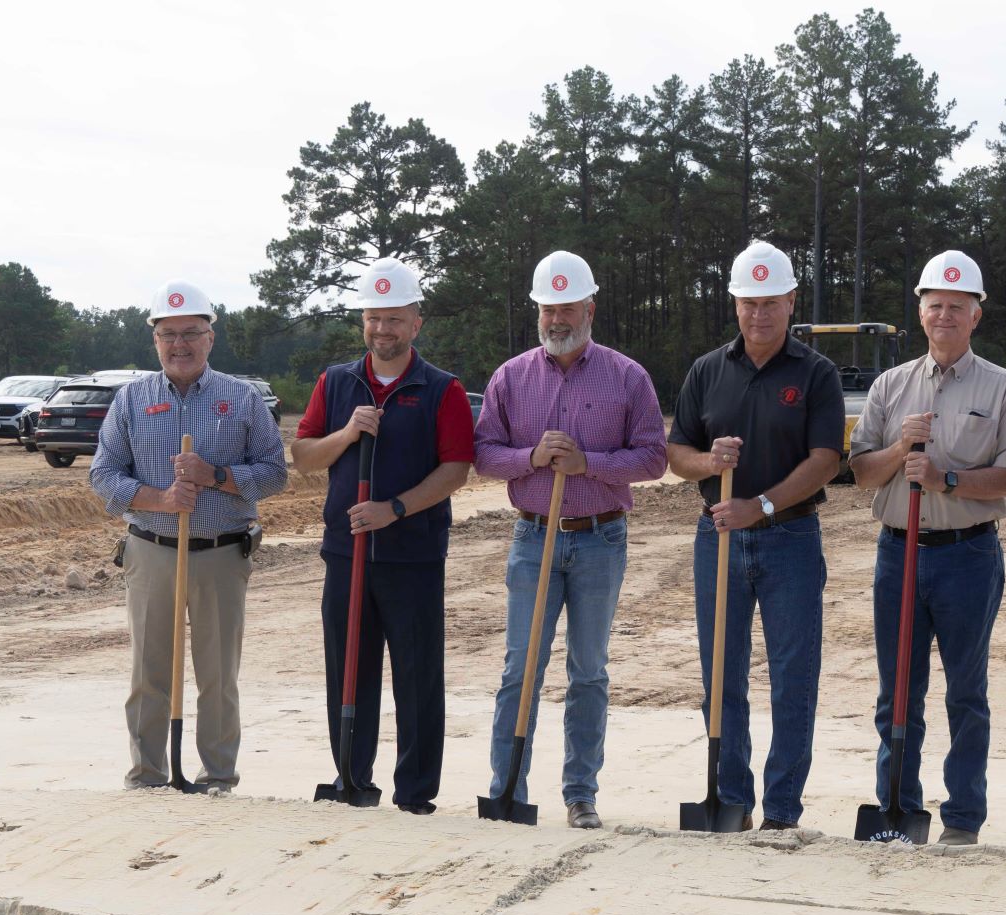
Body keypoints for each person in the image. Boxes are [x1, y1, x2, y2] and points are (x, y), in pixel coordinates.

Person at [473, 251, 667, 829]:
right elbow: (483, 455)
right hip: (533, 538)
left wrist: (589, 464)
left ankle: (580, 793)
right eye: (548, 309)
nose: (557, 320)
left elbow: (653, 458)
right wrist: (531, 457)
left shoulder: (628, 377)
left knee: (588, 672)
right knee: (520, 669)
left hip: (600, 540)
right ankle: (507, 789)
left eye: (567, 308)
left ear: (590, 309)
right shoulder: (511, 378)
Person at [848, 251, 1006, 845]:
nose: (945, 316)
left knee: (966, 693)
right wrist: (899, 450)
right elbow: (862, 473)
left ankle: (962, 818)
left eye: (958, 306)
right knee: (897, 691)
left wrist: (944, 478)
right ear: (921, 313)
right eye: (936, 306)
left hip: (967, 557)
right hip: (898, 553)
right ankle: (897, 808)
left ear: (976, 315)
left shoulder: (1003, 387)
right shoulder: (890, 385)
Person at [666, 241, 844, 830]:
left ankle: (783, 810)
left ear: (791, 301)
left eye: (770, 303)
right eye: (749, 303)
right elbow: (677, 453)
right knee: (721, 674)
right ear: (735, 304)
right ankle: (731, 801)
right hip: (716, 537)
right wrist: (708, 463)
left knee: (793, 676)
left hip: (790, 539)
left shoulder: (815, 372)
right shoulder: (706, 370)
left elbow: (826, 459)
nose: (759, 314)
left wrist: (761, 506)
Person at [290, 258, 474, 814]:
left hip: (413, 556)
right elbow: (303, 456)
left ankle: (415, 792)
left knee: (417, 677)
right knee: (349, 669)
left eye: (394, 318)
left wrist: (395, 509)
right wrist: (347, 433)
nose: (382, 329)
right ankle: (351, 777)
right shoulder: (335, 382)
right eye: (373, 318)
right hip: (346, 553)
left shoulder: (442, 388)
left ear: (416, 322)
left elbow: (456, 469)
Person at [90, 280, 288, 792]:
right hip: (152, 550)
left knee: (217, 675)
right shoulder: (131, 399)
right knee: (149, 672)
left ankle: (217, 776)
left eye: (191, 333)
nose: (180, 344)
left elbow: (274, 473)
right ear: (155, 340)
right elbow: (103, 475)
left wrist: (214, 476)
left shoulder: (241, 398)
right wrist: (161, 499)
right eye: (169, 334)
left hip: (221, 552)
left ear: (210, 337)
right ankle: (147, 775)